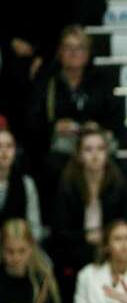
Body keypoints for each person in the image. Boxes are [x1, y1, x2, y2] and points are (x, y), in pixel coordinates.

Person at [22, 26, 120, 199]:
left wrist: (96, 127)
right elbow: (31, 121)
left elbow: (115, 118)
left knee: (107, 163)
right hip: (60, 147)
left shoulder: (101, 81)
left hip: (93, 145)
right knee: (51, 166)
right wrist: (54, 127)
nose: (74, 53)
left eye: (80, 48)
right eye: (68, 48)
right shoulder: (47, 81)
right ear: (60, 52)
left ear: (88, 53)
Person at [50, 123, 127, 277]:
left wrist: (108, 237)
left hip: (110, 251)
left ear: (107, 153)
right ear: (79, 155)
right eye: (88, 149)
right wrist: (86, 236)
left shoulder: (119, 184)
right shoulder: (67, 184)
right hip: (75, 253)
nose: (95, 155)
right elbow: (60, 232)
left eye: (100, 149)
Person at [0, 0, 55, 106]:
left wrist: (41, 56)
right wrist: (11, 42)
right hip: (11, 59)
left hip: (44, 57)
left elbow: (53, 27)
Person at [0, 218, 60, 303]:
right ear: (2, 250)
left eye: (22, 251)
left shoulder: (42, 279)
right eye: (10, 251)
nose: (16, 258)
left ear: (31, 248)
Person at [0, 127, 42, 241]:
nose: (4, 151)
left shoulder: (27, 184)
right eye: (0, 146)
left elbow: (35, 228)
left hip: (20, 249)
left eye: (9, 146)